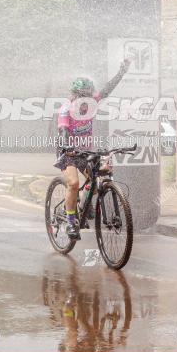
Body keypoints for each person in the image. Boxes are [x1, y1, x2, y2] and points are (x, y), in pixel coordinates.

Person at [56, 58, 132, 240]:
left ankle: (85, 203)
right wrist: (68, 147)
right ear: (74, 95)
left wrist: (121, 72)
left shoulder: (92, 101)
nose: (86, 100)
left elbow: (106, 90)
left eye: (88, 96)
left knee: (98, 179)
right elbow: (63, 130)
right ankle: (71, 219)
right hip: (68, 152)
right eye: (82, 96)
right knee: (73, 183)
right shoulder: (66, 108)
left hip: (86, 150)